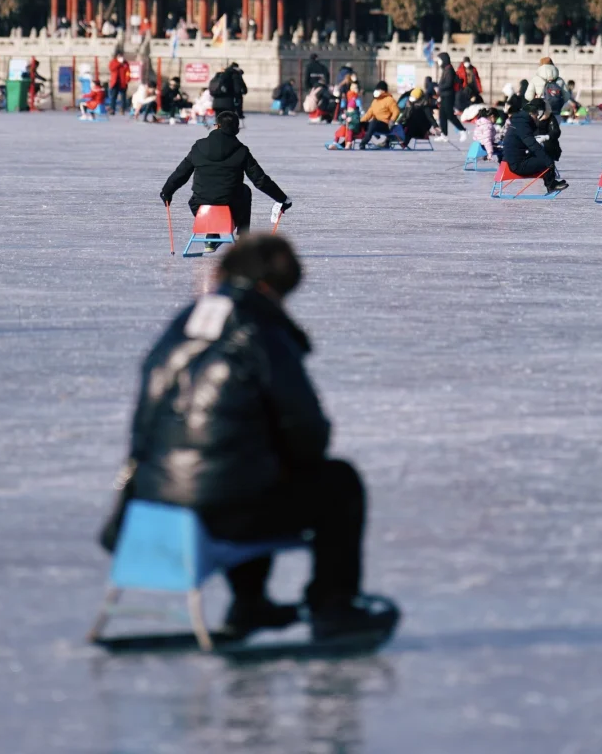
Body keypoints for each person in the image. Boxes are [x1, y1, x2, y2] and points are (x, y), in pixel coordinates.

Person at [111, 233, 398, 643]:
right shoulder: (259, 329)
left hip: (153, 500)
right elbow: (307, 432)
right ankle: (333, 607)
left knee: (249, 465)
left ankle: (250, 602)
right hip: (219, 511)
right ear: (270, 286)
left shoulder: (187, 321)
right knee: (338, 483)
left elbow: (145, 418)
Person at [161, 110, 290, 235]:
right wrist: (282, 199)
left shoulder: (199, 147)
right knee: (245, 190)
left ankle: (211, 235)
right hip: (231, 208)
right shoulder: (241, 151)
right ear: (236, 130)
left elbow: (181, 173)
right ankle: (243, 236)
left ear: (217, 126)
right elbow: (260, 180)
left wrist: (167, 191)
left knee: (204, 195)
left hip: (200, 206)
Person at [500, 97, 567, 193]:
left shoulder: (519, 121)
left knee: (543, 157)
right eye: (536, 115)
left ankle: (551, 183)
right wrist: (548, 161)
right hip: (517, 165)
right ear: (531, 114)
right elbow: (532, 145)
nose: (537, 118)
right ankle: (551, 185)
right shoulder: (523, 125)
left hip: (514, 160)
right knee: (545, 160)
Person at [359, 82, 401, 147]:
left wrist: (392, 121)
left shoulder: (389, 100)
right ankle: (346, 142)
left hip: (385, 125)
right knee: (360, 124)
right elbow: (369, 114)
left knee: (373, 122)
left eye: (378, 89)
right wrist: (361, 122)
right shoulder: (375, 101)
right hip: (375, 124)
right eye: (376, 89)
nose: (376, 91)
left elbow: (396, 111)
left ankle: (363, 142)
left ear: (383, 91)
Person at [435, 53, 465, 142]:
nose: (438, 62)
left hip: (448, 96)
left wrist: (439, 87)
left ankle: (462, 130)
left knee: (449, 115)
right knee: (442, 115)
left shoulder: (449, 70)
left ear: (444, 60)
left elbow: (448, 83)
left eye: (439, 60)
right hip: (444, 95)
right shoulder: (445, 69)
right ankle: (444, 134)